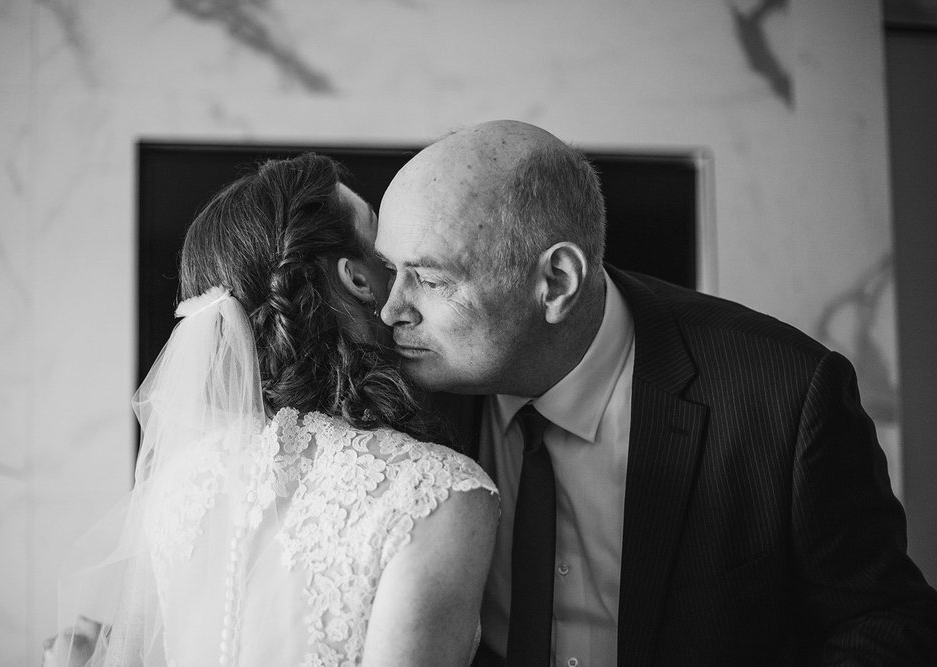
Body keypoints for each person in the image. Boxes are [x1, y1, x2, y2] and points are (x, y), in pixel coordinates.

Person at [374, 120, 937, 665]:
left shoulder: (786, 396)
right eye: (388, 271)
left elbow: (882, 623)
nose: (391, 310)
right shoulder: (395, 390)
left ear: (556, 283)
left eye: (429, 278)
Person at [47, 153, 499, 667]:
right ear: (356, 279)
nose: (399, 272)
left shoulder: (179, 483)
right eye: (386, 252)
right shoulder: (436, 492)